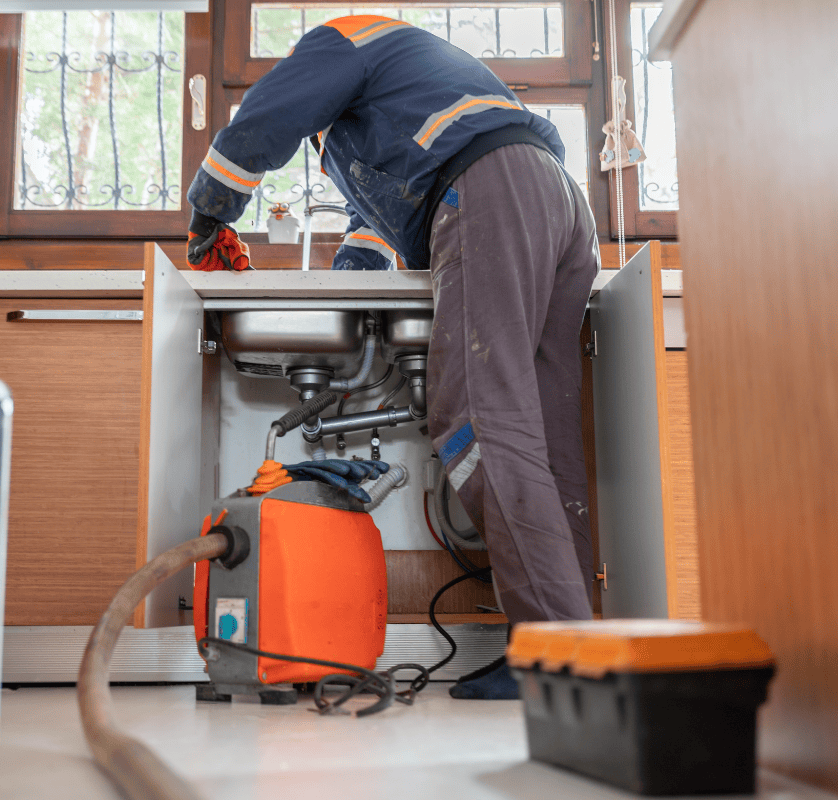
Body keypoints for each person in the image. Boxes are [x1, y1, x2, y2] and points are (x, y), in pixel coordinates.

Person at [186, 15, 599, 699]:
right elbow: (369, 242)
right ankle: (583, 650)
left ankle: (553, 661)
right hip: (554, 199)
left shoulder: (338, 40)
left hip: (489, 191)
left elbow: (267, 114)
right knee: (545, 441)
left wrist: (211, 213)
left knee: (481, 422)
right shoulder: (396, 109)